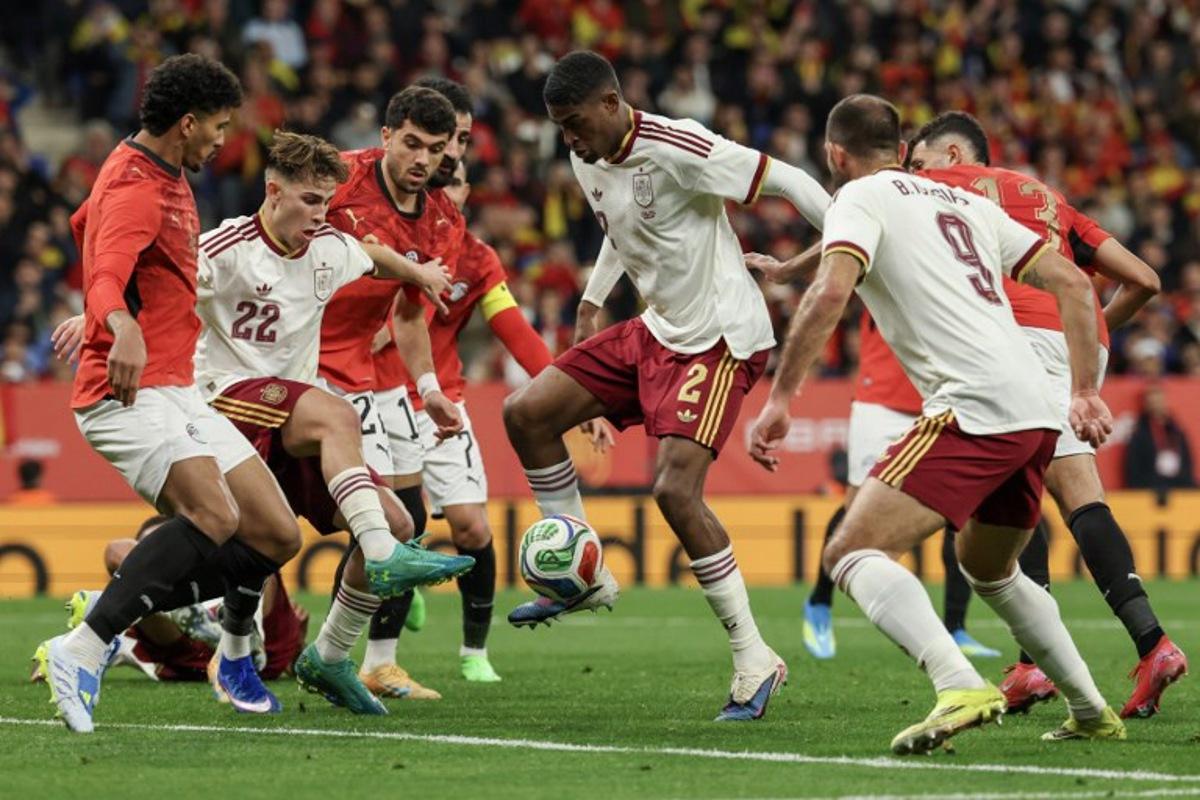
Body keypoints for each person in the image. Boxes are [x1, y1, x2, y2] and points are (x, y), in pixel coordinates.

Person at [749, 94, 1123, 753]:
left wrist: (780, 398)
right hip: (1037, 408)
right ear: (900, 149)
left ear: (837, 155)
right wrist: (1085, 390)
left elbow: (832, 291)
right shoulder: (968, 204)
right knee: (989, 570)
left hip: (971, 406)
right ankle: (1092, 709)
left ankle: (956, 682)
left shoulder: (857, 199)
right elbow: (1072, 282)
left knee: (849, 552)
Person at [502, 50, 830, 721]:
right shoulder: (587, 155)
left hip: (720, 336)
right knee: (526, 413)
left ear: (610, 103)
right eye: (560, 128)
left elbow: (790, 180)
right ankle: (582, 569)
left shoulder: (680, 145)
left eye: (573, 123)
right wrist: (594, 300)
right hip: (656, 329)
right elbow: (622, 228)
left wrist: (847, 246)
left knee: (674, 491)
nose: (568, 138)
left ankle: (755, 658)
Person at [41, 54, 309, 733]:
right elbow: (103, 258)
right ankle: (89, 644)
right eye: (218, 127)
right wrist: (115, 317)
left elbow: (86, 228)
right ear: (187, 124)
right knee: (215, 517)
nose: (223, 140)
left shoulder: (156, 172)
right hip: (123, 393)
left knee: (276, 534)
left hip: (177, 387)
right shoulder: (136, 187)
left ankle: (158, 610)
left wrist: (99, 301)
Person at [907, 110, 1187, 719]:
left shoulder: (944, 185)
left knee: (1022, 497)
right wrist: (1083, 339)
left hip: (1018, 341)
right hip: (1072, 339)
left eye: (921, 161)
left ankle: (1131, 645)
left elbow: (868, 216)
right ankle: (1095, 655)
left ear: (953, 154)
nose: (914, 172)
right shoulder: (1048, 199)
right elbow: (1143, 279)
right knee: (1038, 488)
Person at [347, 77, 613, 696]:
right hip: (372, 390)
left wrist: (572, 395)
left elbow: (514, 330)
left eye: (455, 162)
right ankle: (370, 649)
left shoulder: (473, 253)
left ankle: (471, 650)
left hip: (440, 398)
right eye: (443, 160)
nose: (448, 178)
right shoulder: (376, 204)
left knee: (470, 528)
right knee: (395, 527)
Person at [314, 85, 469, 701]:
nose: (422, 159)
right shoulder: (338, 178)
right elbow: (335, 249)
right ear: (385, 137)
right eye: (411, 143)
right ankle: (231, 644)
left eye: (435, 148)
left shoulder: (443, 221)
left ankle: (370, 659)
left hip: (355, 380)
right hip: (281, 360)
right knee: (251, 526)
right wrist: (412, 268)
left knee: (392, 521)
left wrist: (428, 386)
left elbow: (409, 317)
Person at [31, 515, 307, 686]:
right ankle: (232, 633)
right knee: (120, 555)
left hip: (252, 651)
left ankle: (241, 629)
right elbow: (114, 649)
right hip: (198, 656)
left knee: (258, 551)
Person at [1124, 383, 1196, 491]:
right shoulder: (1139, 433)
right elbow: (1133, 467)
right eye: (1152, 402)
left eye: (1159, 401)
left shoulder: (1177, 431)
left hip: (1178, 482)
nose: (1156, 405)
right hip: (1151, 484)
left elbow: (1187, 460)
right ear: (1146, 404)